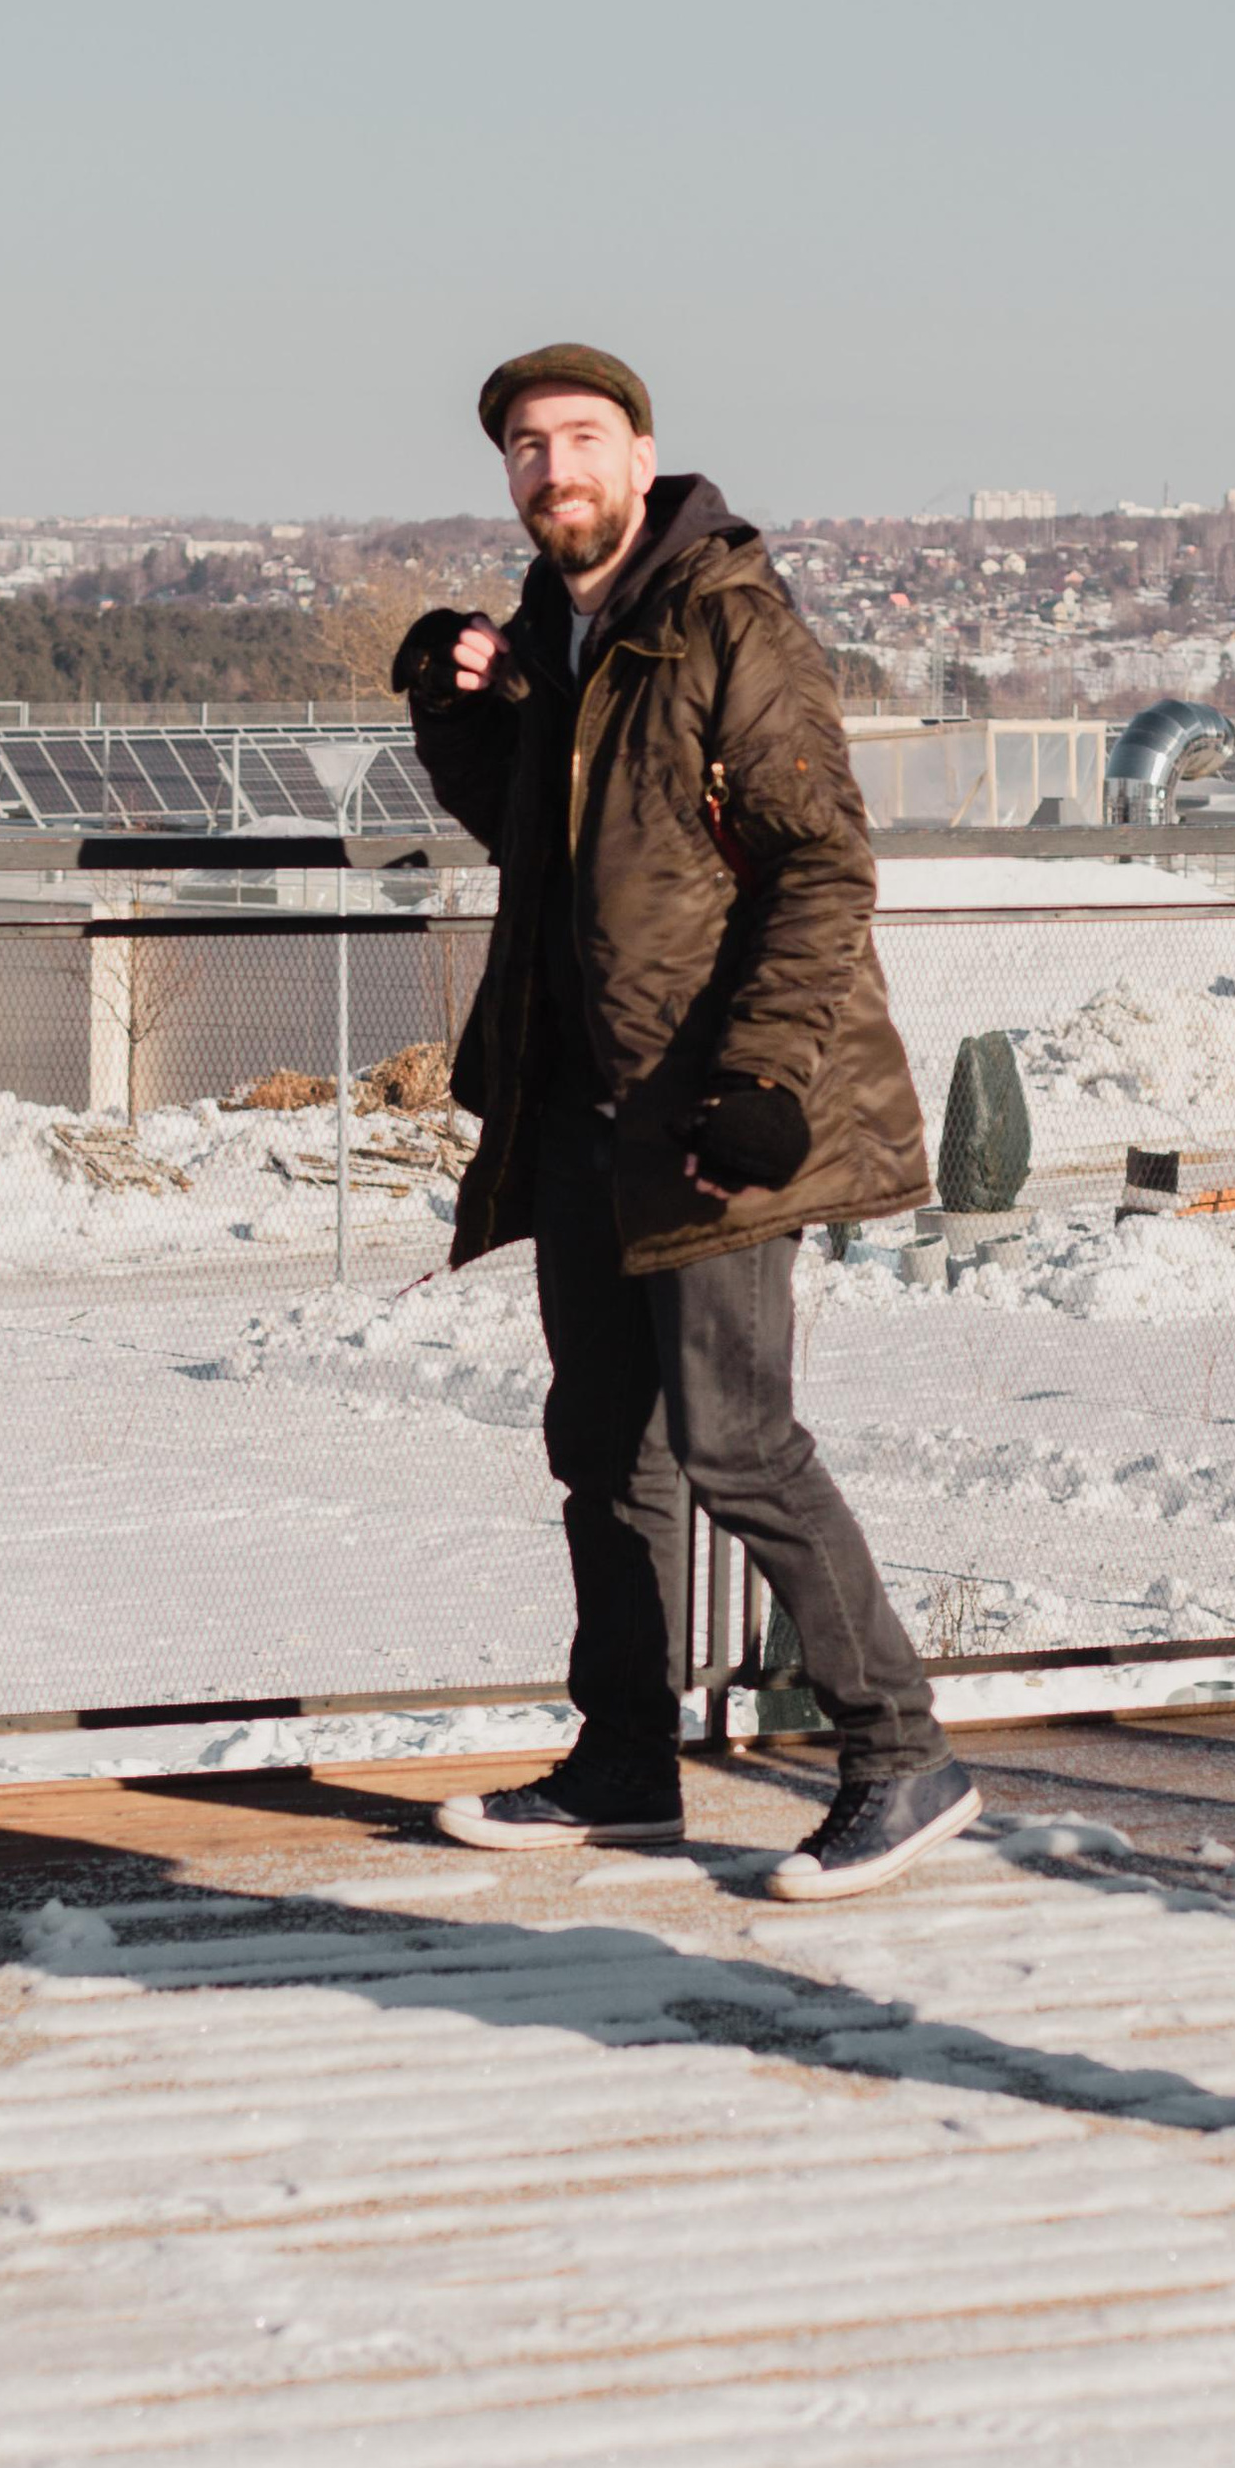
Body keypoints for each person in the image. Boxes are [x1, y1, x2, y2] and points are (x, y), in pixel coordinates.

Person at [394, 343, 980, 1901]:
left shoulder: (727, 626)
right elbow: (542, 834)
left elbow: (821, 868)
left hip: (711, 1108)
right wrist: (453, 720)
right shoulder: (561, 635)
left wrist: (768, 1080)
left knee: (736, 1440)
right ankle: (625, 1763)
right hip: (582, 1105)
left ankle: (901, 1755)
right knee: (604, 1446)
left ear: (643, 458)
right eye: (525, 448)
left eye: (580, 439)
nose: (552, 469)